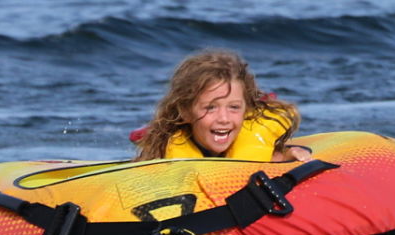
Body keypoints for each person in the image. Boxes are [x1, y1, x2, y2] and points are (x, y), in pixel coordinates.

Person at [131, 50, 313, 162]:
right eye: (210, 108)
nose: (224, 119)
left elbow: (272, 159)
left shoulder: (253, 144)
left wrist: (290, 156)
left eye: (234, 107)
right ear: (185, 112)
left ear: (247, 110)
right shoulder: (164, 155)